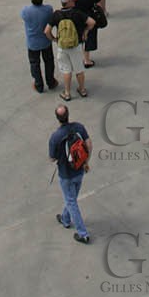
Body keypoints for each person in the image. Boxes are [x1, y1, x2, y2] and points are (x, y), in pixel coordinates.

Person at [48, 102, 91, 243]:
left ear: (57, 118)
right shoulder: (78, 127)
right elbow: (89, 143)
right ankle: (65, 219)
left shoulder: (55, 137)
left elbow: (52, 157)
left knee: (71, 201)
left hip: (66, 174)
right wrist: (86, 162)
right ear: (68, 115)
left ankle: (83, 233)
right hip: (79, 171)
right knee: (71, 199)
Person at [46, 0, 93, 100]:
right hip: (75, 45)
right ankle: (82, 90)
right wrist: (85, 32)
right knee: (79, 69)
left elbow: (46, 31)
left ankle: (67, 93)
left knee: (66, 70)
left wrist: (54, 39)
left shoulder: (56, 14)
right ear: (68, 2)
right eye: (72, 0)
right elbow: (92, 23)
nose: (74, 1)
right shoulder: (77, 13)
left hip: (62, 46)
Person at [21, 0, 58, 94]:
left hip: (32, 43)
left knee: (34, 63)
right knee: (49, 61)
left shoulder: (26, 10)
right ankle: (51, 81)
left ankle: (38, 84)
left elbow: (23, 17)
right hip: (46, 41)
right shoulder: (48, 9)